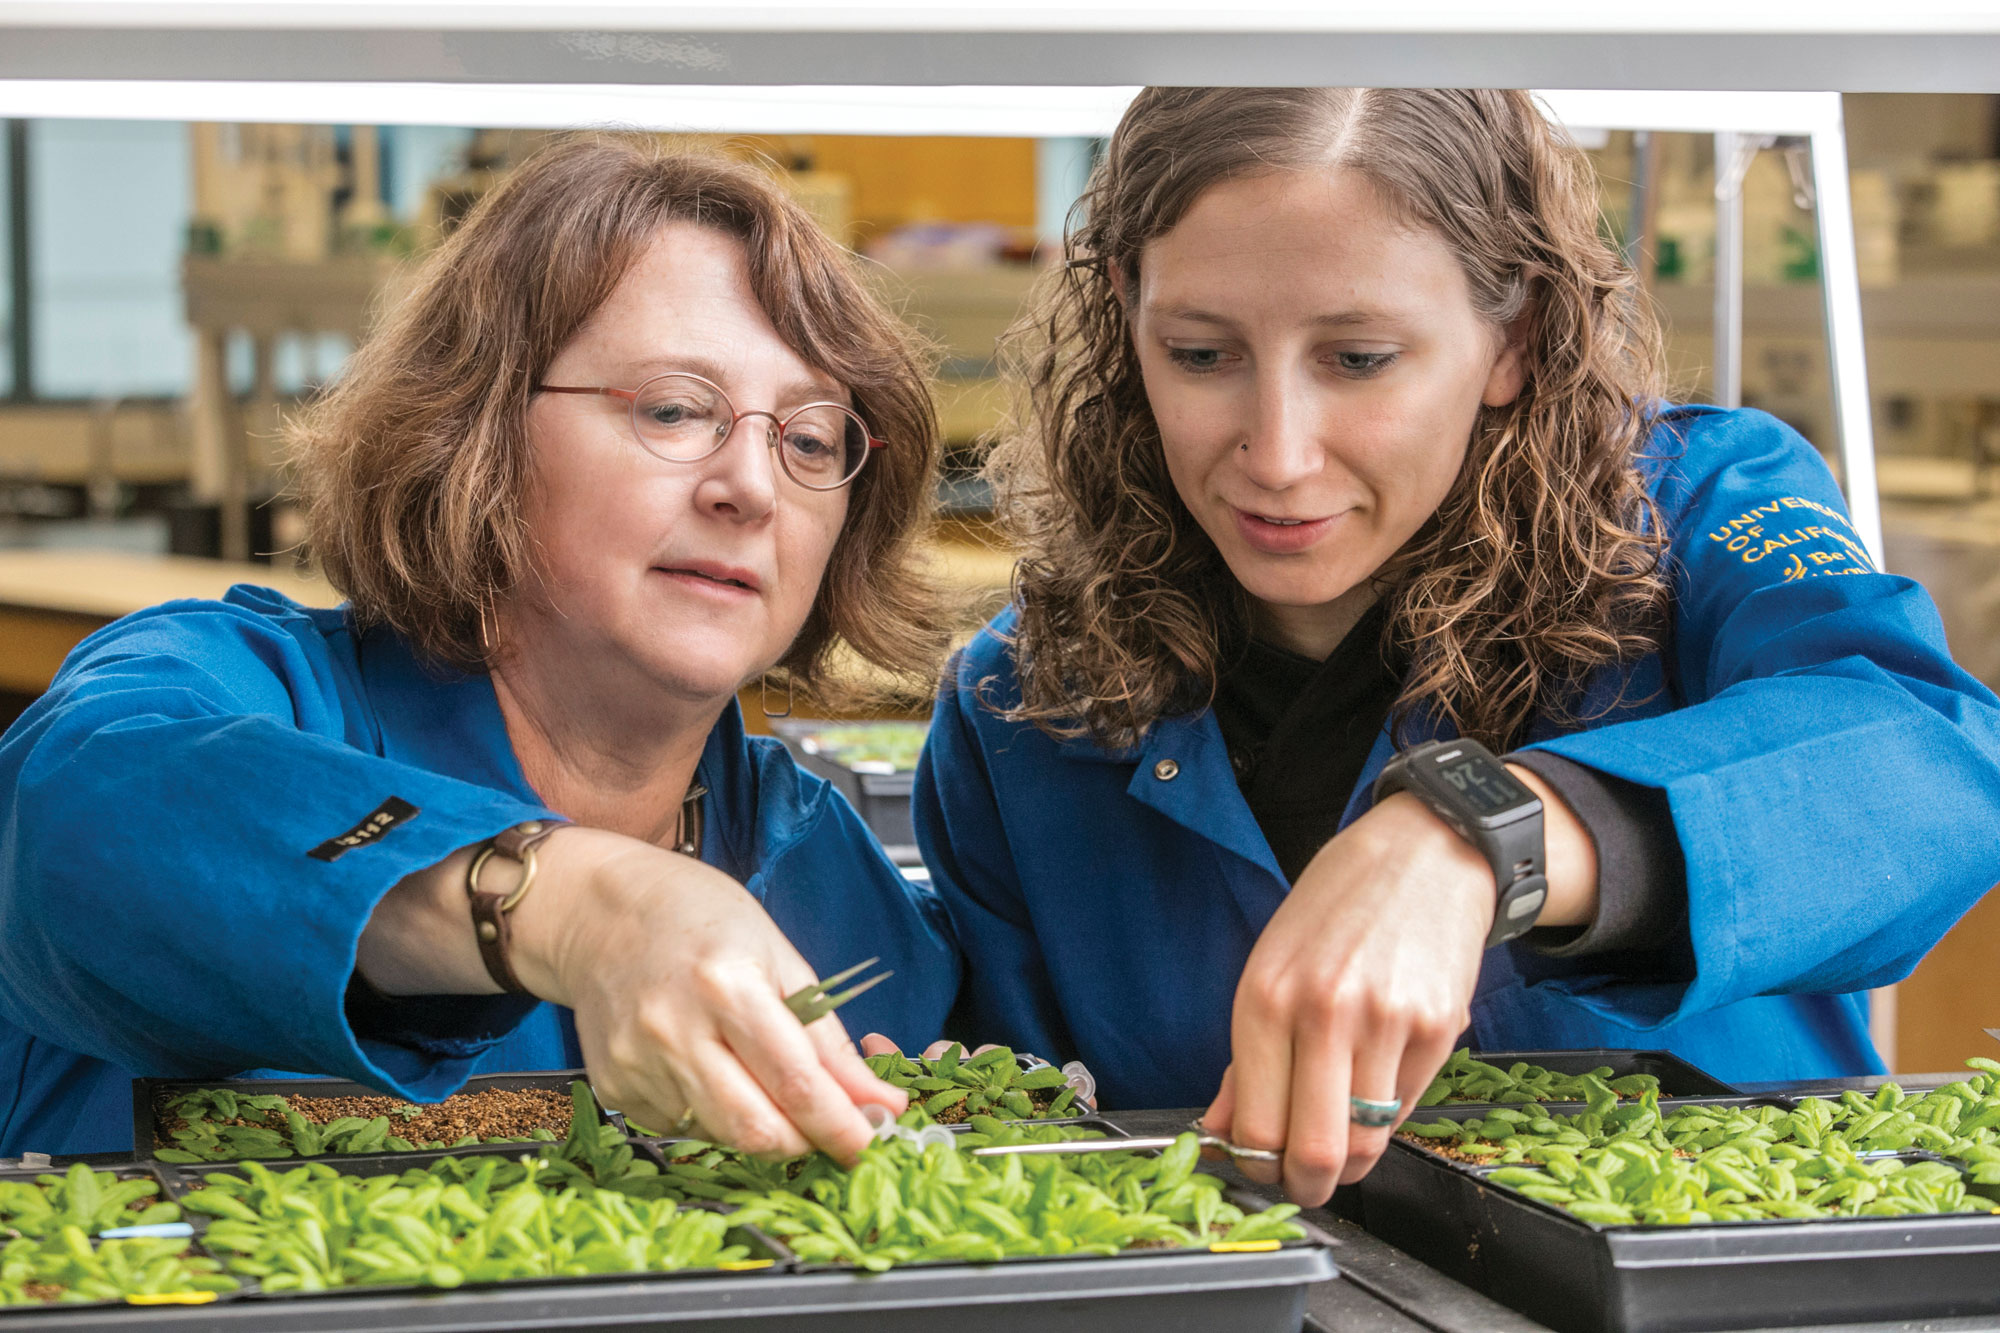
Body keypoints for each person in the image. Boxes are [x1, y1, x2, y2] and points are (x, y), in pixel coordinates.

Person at [914, 87, 2000, 1206]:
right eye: (1199, 354)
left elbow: (1927, 757)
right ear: (1124, 321)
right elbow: (1030, 1143)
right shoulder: (1024, 703)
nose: (1277, 453)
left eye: (1359, 359)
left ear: (1510, 339)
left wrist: (1484, 834)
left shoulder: (1694, 511)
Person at [0, 137, 960, 1160]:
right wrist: (579, 906)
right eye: (675, 409)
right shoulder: (241, 686)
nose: (752, 487)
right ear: (478, 436)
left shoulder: (832, 882)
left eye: (808, 440)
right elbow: (71, 818)